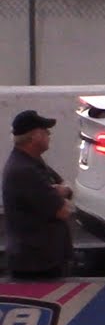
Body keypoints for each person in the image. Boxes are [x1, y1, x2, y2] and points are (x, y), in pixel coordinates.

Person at [2, 109, 74, 280]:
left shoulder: (34, 163)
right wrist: (59, 192)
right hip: (36, 266)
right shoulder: (24, 171)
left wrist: (61, 191)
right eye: (45, 131)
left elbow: (68, 187)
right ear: (33, 137)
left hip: (48, 260)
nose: (49, 134)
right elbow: (63, 211)